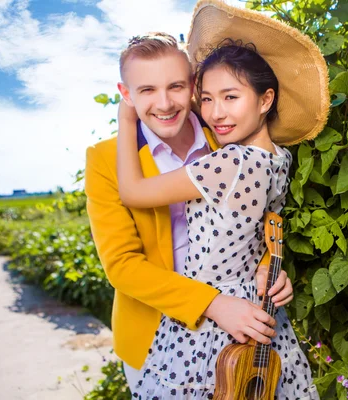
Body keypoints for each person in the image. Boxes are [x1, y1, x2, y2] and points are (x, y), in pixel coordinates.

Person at [115, 1, 329, 398]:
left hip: (213, 324)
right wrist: (269, 267)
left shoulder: (230, 159)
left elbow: (132, 193)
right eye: (208, 99)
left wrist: (126, 118)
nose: (215, 113)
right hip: (252, 311)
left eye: (230, 97)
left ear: (266, 100)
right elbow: (261, 228)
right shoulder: (279, 158)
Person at [85, 31, 296, 389]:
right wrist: (212, 303)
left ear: (194, 86)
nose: (165, 104)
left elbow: (260, 216)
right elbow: (121, 265)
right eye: (147, 90)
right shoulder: (106, 160)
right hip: (156, 338)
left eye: (176, 87)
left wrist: (268, 268)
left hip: (240, 325)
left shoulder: (226, 136)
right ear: (126, 95)